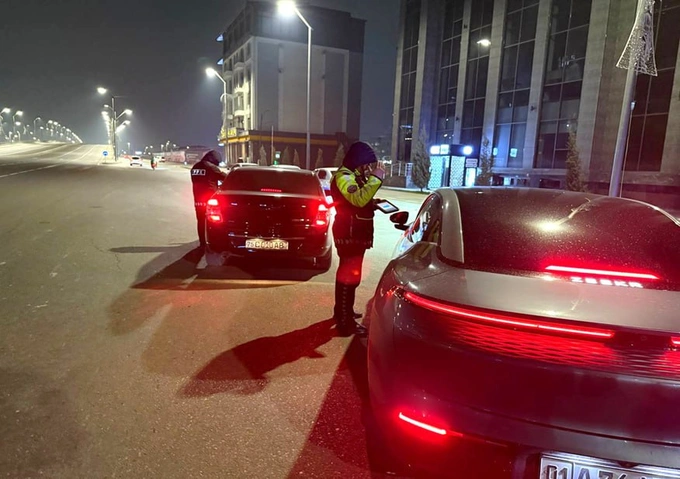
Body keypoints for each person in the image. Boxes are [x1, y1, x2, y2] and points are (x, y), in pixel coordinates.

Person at [330, 141, 385, 336]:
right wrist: (375, 179)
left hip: (354, 233)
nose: (368, 168)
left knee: (350, 276)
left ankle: (343, 311)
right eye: (366, 164)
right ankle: (345, 322)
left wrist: (373, 203)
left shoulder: (352, 176)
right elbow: (358, 199)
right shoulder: (344, 177)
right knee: (348, 277)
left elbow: (358, 201)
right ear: (358, 161)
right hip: (349, 234)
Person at [190, 150, 228, 249]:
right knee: (213, 221)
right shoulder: (211, 168)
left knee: (200, 221)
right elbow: (226, 178)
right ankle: (213, 242)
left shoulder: (195, 167)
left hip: (198, 199)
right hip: (210, 199)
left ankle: (202, 243)